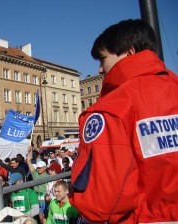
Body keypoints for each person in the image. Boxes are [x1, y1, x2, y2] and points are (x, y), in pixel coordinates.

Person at [71, 19, 178, 223]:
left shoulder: (113, 107)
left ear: (129, 52)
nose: (100, 69)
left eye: (103, 59)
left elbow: (102, 202)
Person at [27, 148, 49, 224]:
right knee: (39, 217)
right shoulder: (35, 174)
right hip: (36, 199)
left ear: (45, 168)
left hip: (44, 199)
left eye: (40, 168)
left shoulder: (48, 177)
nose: (38, 169)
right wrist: (29, 152)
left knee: (43, 218)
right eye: (38, 167)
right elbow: (29, 163)